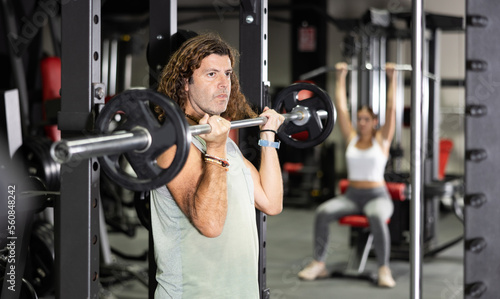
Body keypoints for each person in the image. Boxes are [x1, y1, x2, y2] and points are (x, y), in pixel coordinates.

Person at [150, 33, 285, 298]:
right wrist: (214, 147)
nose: (225, 84)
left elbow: (271, 202)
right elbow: (210, 225)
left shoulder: (226, 144)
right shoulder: (174, 146)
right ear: (185, 83)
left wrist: (268, 137)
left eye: (228, 74)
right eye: (212, 74)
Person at [297, 62, 398, 288]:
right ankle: (319, 263)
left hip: (377, 196)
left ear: (375, 122)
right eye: (359, 118)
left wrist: (393, 79)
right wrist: (341, 77)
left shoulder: (382, 140)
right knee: (322, 212)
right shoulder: (351, 138)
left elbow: (391, 108)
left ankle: (384, 268)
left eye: (366, 119)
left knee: (376, 217)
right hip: (352, 197)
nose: (361, 122)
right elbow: (340, 108)